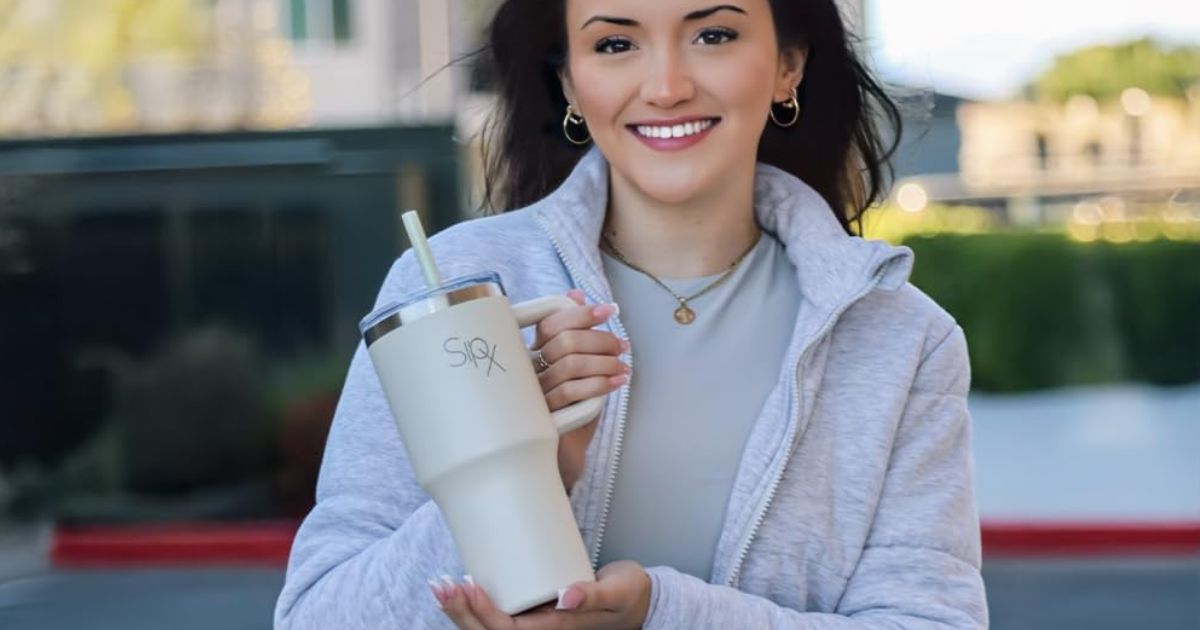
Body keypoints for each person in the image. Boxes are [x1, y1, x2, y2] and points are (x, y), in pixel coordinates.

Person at [274, 0, 989, 628]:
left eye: (713, 35)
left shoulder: (900, 340)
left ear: (787, 67)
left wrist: (662, 615)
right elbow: (320, 615)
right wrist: (526, 478)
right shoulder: (451, 291)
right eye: (615, 44)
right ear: (568, 83)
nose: (668, 86)